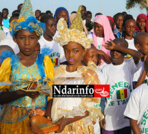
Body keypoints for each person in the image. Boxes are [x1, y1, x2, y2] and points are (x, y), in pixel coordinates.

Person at [0, 0, 54, 133]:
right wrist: (20, 93)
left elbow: (51, 93)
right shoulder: (9, 63)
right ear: (15, 39)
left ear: (38, 38)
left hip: (39, 118)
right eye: (22, 38)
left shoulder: (45, 61)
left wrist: (46, 115)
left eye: (31, 38)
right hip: (13, 121)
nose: (27, 43)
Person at [51, 6, 103, 134]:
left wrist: (67, 120)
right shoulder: (57, 72)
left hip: (79, 127)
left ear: (83, 51)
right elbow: (51, 97)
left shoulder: (90, 74)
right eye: (67, 51)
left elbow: (91, 107)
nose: (71, 55)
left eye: (76, 51)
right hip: (58, 125)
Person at [101, 38, 141, 134]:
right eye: (112, 50)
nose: (114, 53)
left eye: (118, 51)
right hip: (110, 118)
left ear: (124, 52)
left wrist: (116, 46)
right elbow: (101, 94)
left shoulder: (129, 66)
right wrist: (101, 113)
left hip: (126, 119)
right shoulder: (105, 69)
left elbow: (138, 55)